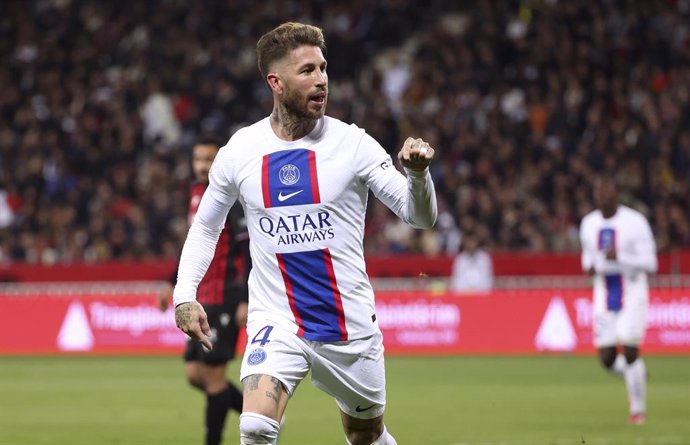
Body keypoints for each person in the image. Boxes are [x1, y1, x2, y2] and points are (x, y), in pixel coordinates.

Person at [172, 22, 437, 445]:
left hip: (347, 324)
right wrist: (184, 295)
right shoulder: (240, 151)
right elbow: (206, 226)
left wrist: (419, 175)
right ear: (275, 82)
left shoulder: (353, 145)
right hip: (276, 319)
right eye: (308, 70)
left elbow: (418, 216)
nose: (322, 80)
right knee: (256, 426)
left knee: (365, 435)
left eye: (323, 68)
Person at [160, 136, 251, 445]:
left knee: (213, 379)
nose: (202, 166)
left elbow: (247, 252)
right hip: (200, 296)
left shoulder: (232, 199)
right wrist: (173, 283)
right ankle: (254, 411)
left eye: (209, 160)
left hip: (224, 297)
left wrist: (244, 299)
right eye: (198, 159)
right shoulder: (196, 194)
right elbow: (193, 246)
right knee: (194, 375)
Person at [579, 176, 658, 425]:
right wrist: (589, 267)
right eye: (599, 194)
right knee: (607, 358)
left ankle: (637, 410)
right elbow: (587, 257)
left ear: (617, 195)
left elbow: (651, 263)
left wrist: (620, 256)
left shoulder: (635, 222)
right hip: (604, 292)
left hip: (632, 289)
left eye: (608, 193)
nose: (603, 198)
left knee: (631, 349)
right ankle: (636, 373)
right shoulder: (588, 223)